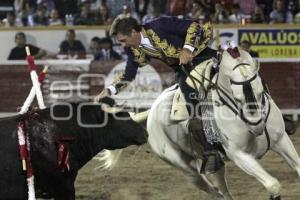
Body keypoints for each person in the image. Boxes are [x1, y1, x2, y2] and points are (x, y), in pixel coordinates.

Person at [95, 16, 224, 174]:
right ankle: (210, 151)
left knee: (237, 73)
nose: (123, 45)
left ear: (134, 32)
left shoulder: (159, 25)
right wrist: (110, 89)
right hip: (183, 71)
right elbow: (128, 74)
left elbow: (193, 27)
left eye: (123, 40)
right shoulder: (132, 49)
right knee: (192, 108)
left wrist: (187, 49)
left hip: (203, 55)